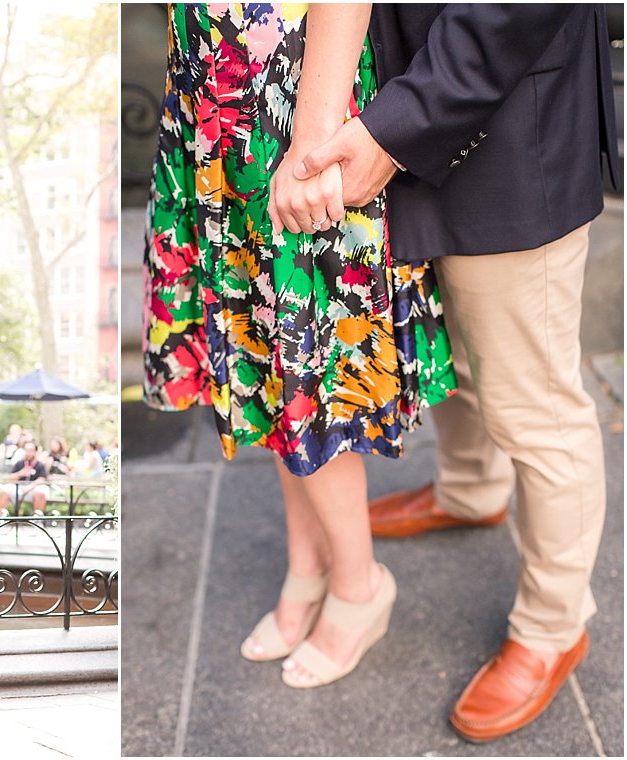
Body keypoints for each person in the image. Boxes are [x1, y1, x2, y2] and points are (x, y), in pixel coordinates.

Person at [290, 4, 619, 741]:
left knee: (534, 403)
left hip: (499, 110)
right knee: (464, 350)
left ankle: (552, 627)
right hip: (411, 100)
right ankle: (471, 492)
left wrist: (393, 127)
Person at [144, 4, 456, 689]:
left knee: (304, 356)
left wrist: (310, 134)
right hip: (213, 99)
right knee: (267, 357)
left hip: (286, 96)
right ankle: (308, 565)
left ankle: (357, 582)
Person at [0, 441, 51, 517]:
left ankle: (38, 519)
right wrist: (20, 473)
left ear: (35, 452)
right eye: (26, 450)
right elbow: (10, 477)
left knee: (40, 492)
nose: (28, 453)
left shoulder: (40, 465)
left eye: (31, 450)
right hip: (18, 488)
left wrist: (30, 486)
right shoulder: (19, 463)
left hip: (32, 489)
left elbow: (42, 479)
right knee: (4, 491)